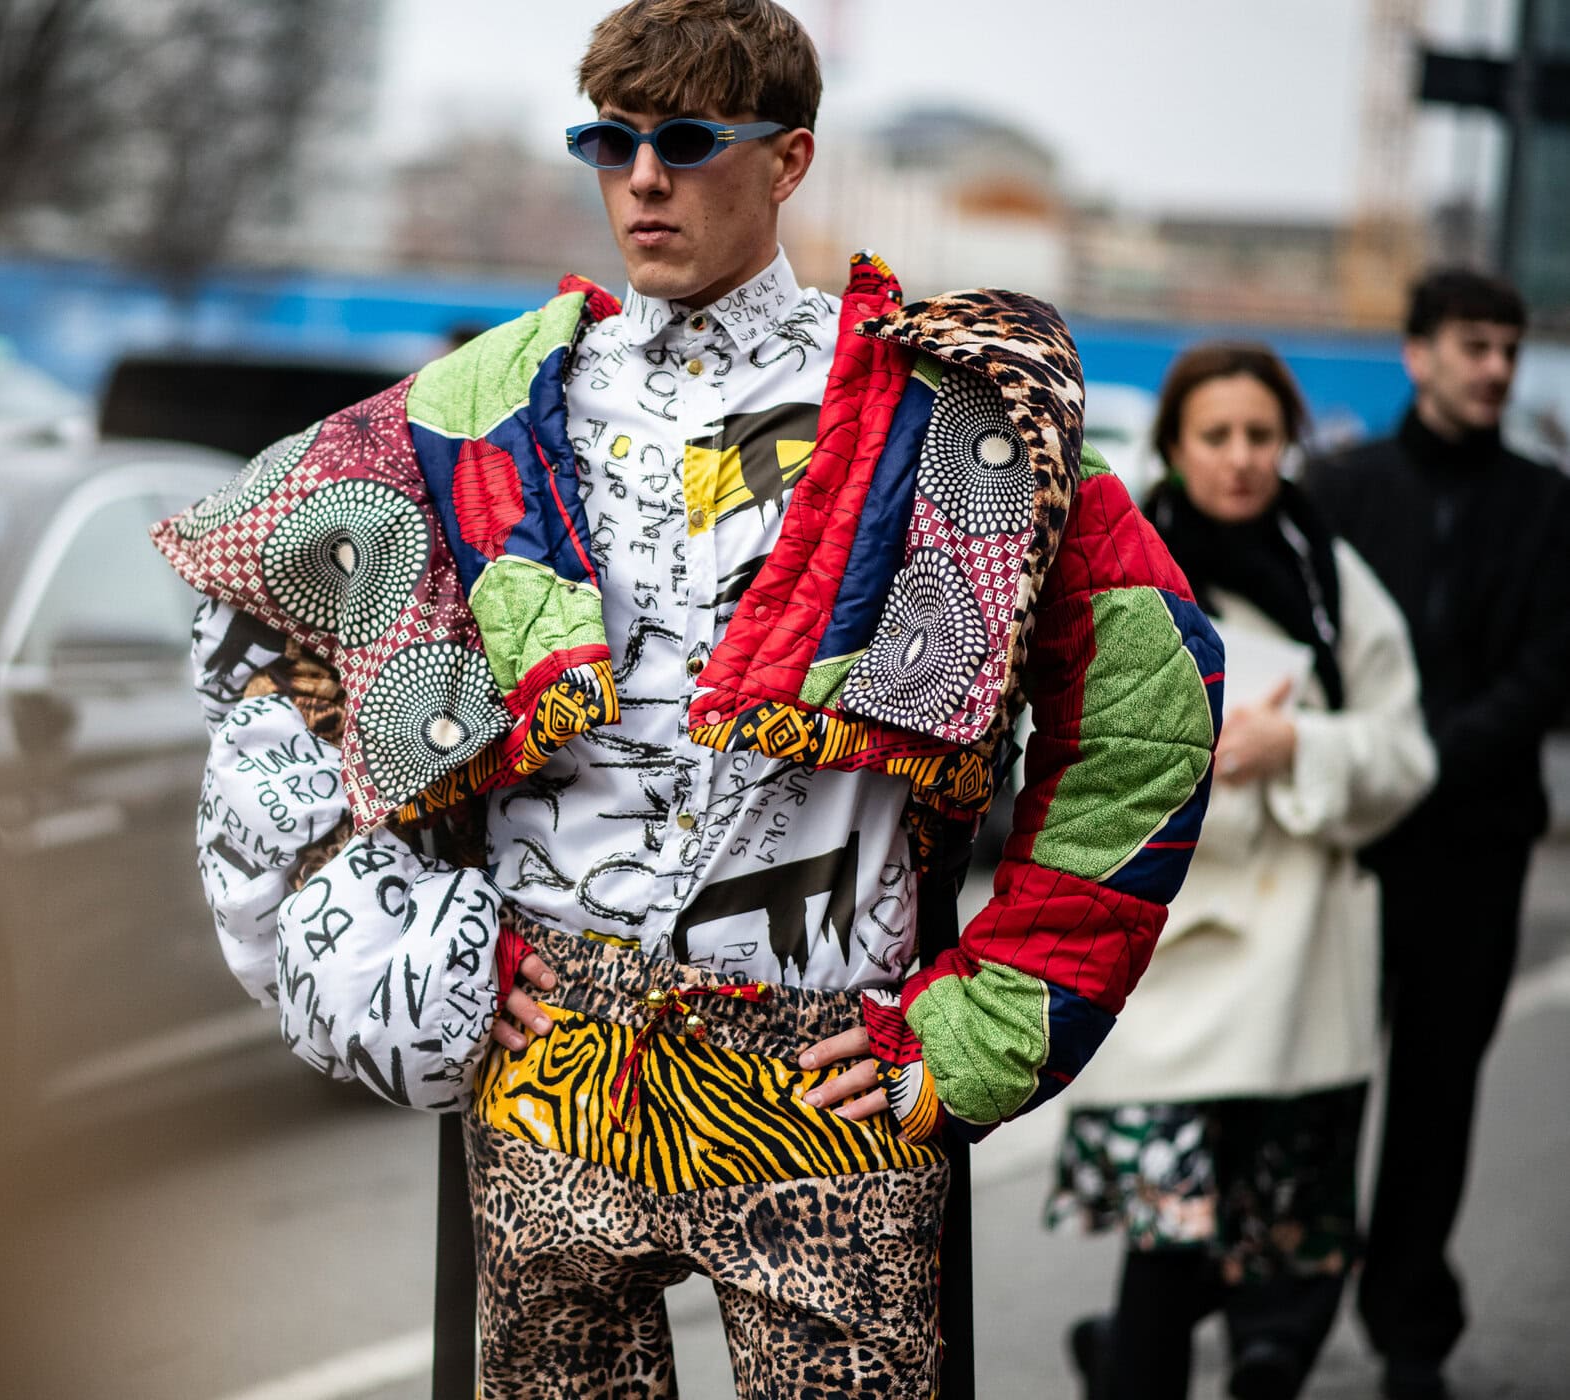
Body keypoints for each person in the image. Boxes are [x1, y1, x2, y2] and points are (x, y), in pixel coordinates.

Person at [158, 2, 1222, 1394]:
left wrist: (979, 1028)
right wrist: (399, 958)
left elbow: (1155, 702)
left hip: (826, 1070)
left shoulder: (943, 413)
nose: (642, 180)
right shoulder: (480, 403)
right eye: (610, 141)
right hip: (552, 1058)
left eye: (684, 141)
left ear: (789, 162)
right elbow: (258, 623)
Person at [1048, 344, 1435, 1400]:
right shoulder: (1125, 570)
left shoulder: (1329, 573)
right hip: (1165, 958)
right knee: (1165, 1263)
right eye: (1215, 435)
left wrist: (1300, 746)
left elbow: (1406, 751)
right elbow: (1060, 740)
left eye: (1262, 435)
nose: (1241, 458)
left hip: (1299, 956)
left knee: (1288, 1267)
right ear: (1174, 444)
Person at [1306, 270, 1570, 1400]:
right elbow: (1307, 648)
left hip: (1476, 842)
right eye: (1473, 345)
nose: (1496, 368)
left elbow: (1549, 671)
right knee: (1319, 1081)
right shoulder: (1340, 487)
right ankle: (1286, 1309)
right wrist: (1366, 771)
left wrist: (1424, 761)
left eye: (1508, 349)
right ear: (1416, 354)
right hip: (1353, 843)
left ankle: (1412, 1323)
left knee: (1436, 1092)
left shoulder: (1549, 502)